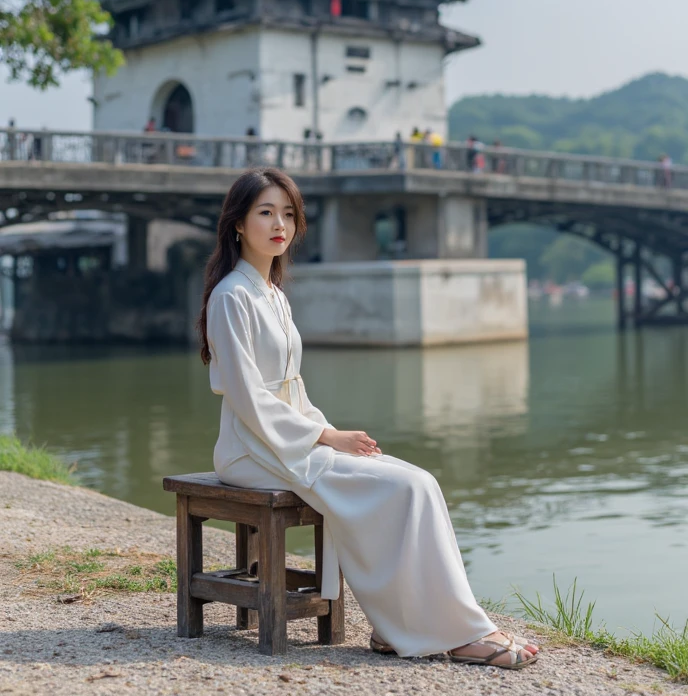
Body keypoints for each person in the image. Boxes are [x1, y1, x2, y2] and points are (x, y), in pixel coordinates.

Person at [198, 167, 540, 667]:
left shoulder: (273, 293)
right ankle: (456, 633)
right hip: (250, 448)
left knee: (418, 482)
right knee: (402, 489)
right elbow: (250, 399)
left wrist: (327, 434)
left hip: (287, 440)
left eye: (288, 214)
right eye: (266, 212)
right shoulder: (231, 296)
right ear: (237, 224)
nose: (280, 225)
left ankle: (408, 626)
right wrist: (326, 436)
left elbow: (292, 389)